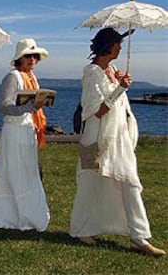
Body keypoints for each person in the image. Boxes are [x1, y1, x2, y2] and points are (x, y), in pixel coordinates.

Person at [69, 27, 165, 256]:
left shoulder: (112, 70)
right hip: (96, 137)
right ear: (109, 45)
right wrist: (120, 89)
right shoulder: (92, 72)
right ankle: (82, 229)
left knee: (130, 183)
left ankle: (139, 237)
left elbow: (117, 106)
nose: (120, 47)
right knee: (89, 184)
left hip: (118, 138)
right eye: (118, 43)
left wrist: (119, 84)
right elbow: (97, 111)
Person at [0, 38, 50, 231]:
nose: (32, 59)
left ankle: (28, 213)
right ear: (20, 58)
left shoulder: (32, 77)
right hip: (14, 130)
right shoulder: (13, 77)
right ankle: (13, 214)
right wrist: (30, 107)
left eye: (35, 56)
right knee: (15, 172)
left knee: (28, 172)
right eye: (28, 56)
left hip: (28, 128)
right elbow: (3, 106)